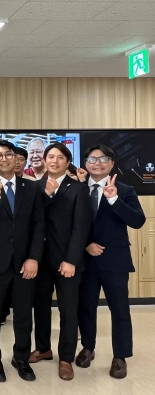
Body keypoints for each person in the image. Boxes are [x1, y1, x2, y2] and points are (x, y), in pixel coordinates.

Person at [0, 140, 44, 383]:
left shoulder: (31, 187)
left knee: (23, 314)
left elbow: (38, 224)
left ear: (16, 158)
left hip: (25, 262)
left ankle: (21, 358)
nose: (3, 158)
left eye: (8, 154)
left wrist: (34, 258)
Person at [76, 144, 146, 379]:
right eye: (92, 159)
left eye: (103, 158)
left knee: (120, 309)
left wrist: (114, 199)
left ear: (112, 163)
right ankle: (87, 347)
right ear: (85, 164)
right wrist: (85, 244)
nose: (97, 163)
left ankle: (120, 356)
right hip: (85, 260)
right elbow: (68, 223)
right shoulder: (77, 189)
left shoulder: (125, 190)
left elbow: (138, 221)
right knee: (86, 307)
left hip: (115, 260)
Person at [30, 142, 91, 381]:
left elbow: (81, 227)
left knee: (68, 310)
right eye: (50, 157)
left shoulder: (78, 189)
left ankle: (66, 357)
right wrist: (45, 194)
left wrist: (72, 259)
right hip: (40, 260)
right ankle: (43, 348)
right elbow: (32, 220)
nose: (54, 161)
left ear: (67, 162)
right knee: (40, 307)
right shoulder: (36, 187)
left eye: (60, 158)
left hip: (66, 261)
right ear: (45, 160)